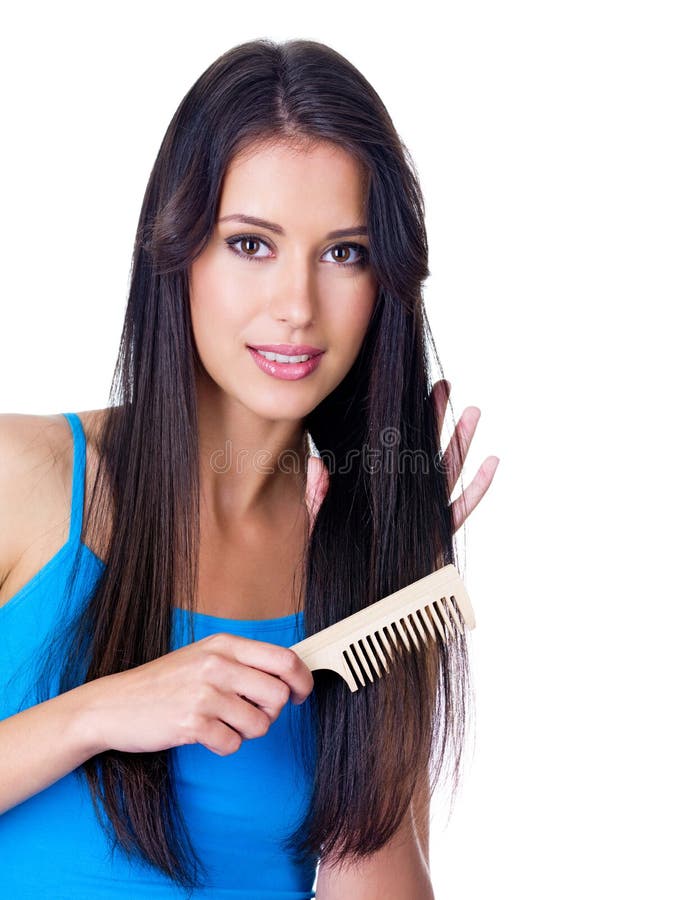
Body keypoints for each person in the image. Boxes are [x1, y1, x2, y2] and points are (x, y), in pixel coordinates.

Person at [0, 38, 499, 899]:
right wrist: (91, 714)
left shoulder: (363, 559)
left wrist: (390, 587)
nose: (297, 307)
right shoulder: (27, 478)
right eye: (250, 244)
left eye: (344, 252)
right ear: (177, 248)